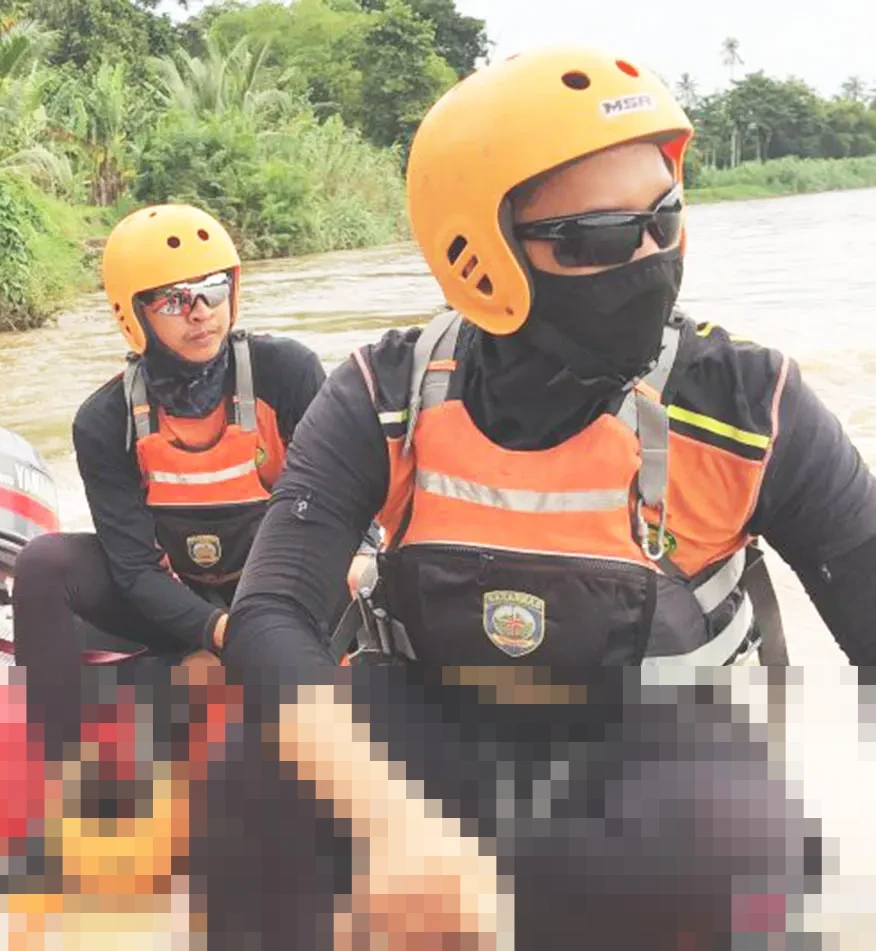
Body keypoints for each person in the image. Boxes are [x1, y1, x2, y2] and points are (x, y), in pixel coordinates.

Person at [215, 45, 847, 947]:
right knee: (247, 794)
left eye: (662, 218)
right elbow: (270, 612)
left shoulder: (748, 402)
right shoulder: (381, 392)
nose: (648, 258)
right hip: (445, 758)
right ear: (478, 256)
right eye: (596, 238)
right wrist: (387, 819)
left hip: (668, 781)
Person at [10, 204, 360, 743]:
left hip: (276, 583)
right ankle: (59, 749)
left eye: (213, 290)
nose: (200, 313)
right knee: (43, 563)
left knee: (365, 570)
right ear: (135, 313)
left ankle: (208, 681)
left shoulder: (287, 372)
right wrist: (222, 632)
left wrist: (269, 624)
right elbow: (134, 569)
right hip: (175, 594)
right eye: (174, 299)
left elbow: (337, 507)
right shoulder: (104, 421)